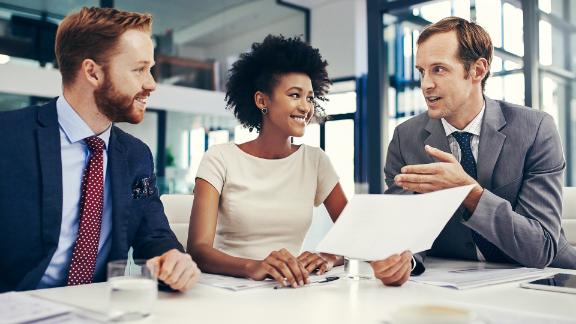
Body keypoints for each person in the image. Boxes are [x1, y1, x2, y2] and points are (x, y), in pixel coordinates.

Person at [0, 7, 201, 292]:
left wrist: (171, 258)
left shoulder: (136, 156)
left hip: (99, 309)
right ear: (92, 72)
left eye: (151, 69)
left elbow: (153, 235)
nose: (151, 83)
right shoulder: (7, 138)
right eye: (139, 69)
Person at [188, 35, 413, 288]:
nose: (306, 107)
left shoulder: (315, 161)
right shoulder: (220, 158)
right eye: (295, 95)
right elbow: (198, 249)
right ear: (262, 100)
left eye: (309, 97)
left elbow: (354, 233)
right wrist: (254, 266)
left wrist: (329, 257)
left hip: (288, 289)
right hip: (226, 288)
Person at [384, 16, 576, 270]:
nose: (425, 84)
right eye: (422, 71)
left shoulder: (535, 129)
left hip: (546, 280)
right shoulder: (404, 138)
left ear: (477, 70)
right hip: (451, 280)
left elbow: (540, 248)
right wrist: (402, 261)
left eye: (438, 69)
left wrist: (469, 191)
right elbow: (404, 230)